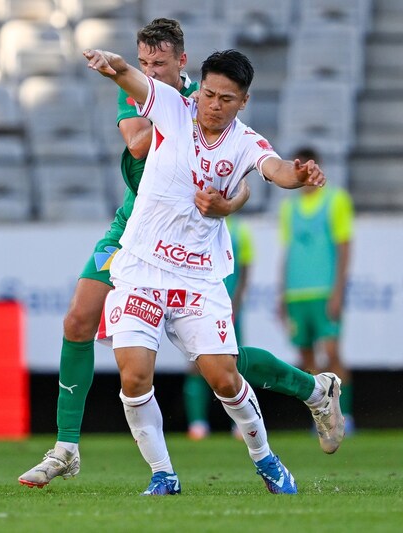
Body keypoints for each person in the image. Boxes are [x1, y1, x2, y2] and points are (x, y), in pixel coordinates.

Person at [18, 18, 344, 490]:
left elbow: (260, 173)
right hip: (135, 234)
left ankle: (311, 392)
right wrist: (119, 71)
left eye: (160, 64)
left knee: (222, 368)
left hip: (200, 253)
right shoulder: (164, 101)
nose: (151, 70)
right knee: (81, 323)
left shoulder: (216, 111)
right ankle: (74, 449)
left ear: (182, 63)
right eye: (144, 63)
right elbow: (135, 135)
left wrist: (240, 196)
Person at [279, 146, 355, 433]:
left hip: (324, 291)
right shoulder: (290, 207)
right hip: (297, 293)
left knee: (333, 353)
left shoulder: (336, 200)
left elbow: (344, 248)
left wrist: (338, 291)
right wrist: (281, 293)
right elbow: (288, 252)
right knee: (308, 360)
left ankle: (346, 417)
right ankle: (324, 419)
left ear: (318, 168)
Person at [185, 215, 254, 440]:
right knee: (197, 363)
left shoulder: (239, 229)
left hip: (228, 308)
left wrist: (235, 304)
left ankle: (241, 424)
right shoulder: (194, 224)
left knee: (233, 364)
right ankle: (197, 423)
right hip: (199, 307)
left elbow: (244, 272)